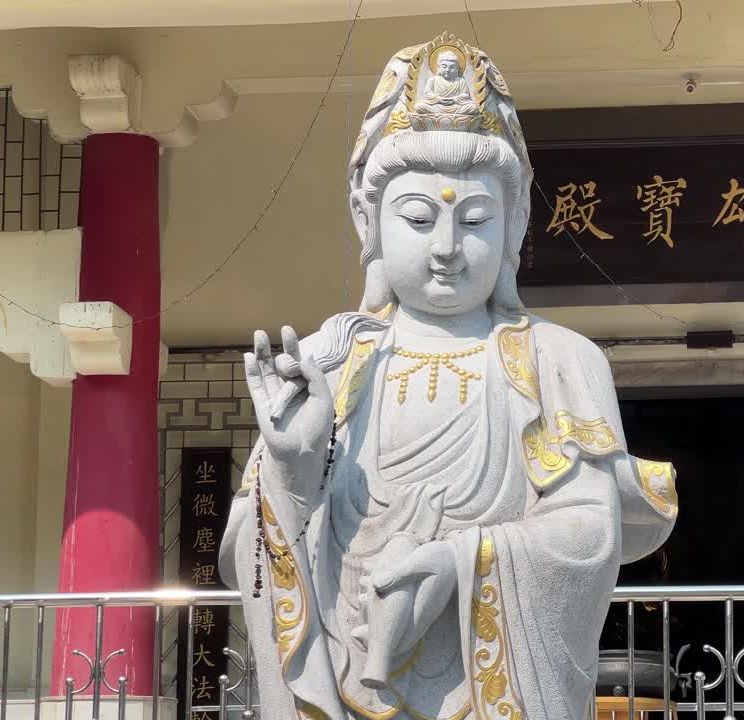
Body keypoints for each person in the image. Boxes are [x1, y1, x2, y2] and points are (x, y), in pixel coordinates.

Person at [220, 32, 678, 719]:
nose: (446, 248)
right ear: (368, 220)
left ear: (515, 222)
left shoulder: (559, 359)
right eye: (417, 217)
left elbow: (592, 534)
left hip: (493, 691)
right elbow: (248, 557)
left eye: (473, 220)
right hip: (347, 678)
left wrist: (463, 560)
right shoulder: (330, 360)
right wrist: (294, 464)